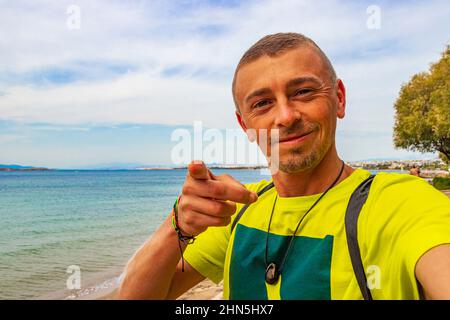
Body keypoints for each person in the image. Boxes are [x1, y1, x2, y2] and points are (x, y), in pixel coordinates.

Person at [118, 33, 450, 300]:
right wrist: (179, 223)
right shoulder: (238, 211)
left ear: (339, 98)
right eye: (262, 103)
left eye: (303, 91)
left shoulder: (400, 204)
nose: (286, 116)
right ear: (245, 124)